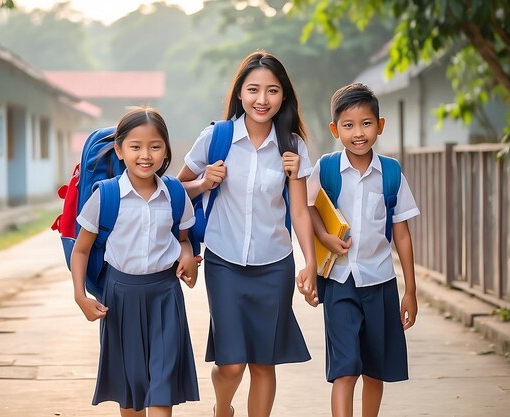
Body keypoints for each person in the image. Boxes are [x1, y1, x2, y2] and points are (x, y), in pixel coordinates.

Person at [178, 51, 318, 417]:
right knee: (232, 363)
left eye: (272, 91)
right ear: (239, 92)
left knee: (263, 361)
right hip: (224, 263)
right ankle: (222, 407)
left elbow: (300, 210)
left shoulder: (293, 147)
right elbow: (173, 192)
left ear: (283, 96)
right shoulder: (215, 138)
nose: (262, 99)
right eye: (253, 89)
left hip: (275, 266)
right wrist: (203, 181)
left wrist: (310, 262)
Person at [70, 107, 200, 417]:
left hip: (166, 297)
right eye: (135, 146)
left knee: (161, 387)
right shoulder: (106, 196)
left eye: (155, 146)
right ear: (119, 149)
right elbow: (81, 250)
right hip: (120, 298)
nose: (146, 155)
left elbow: (183, 238)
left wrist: (187, 258)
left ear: (166, 149)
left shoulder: (175, 194)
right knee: (130, 393)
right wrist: (80, 295)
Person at [306, 83, 420, 417]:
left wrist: (409, 290)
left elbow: (401, 232)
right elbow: (305, 207)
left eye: (367, 124)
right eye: (349, 125)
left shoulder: (392, 173)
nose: (359, 133)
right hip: (340, 282)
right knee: (345, 367)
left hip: (381, 282)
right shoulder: (325, 168)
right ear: (335, 129)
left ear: (380, 126)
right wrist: (323, 239)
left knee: (374, 369)